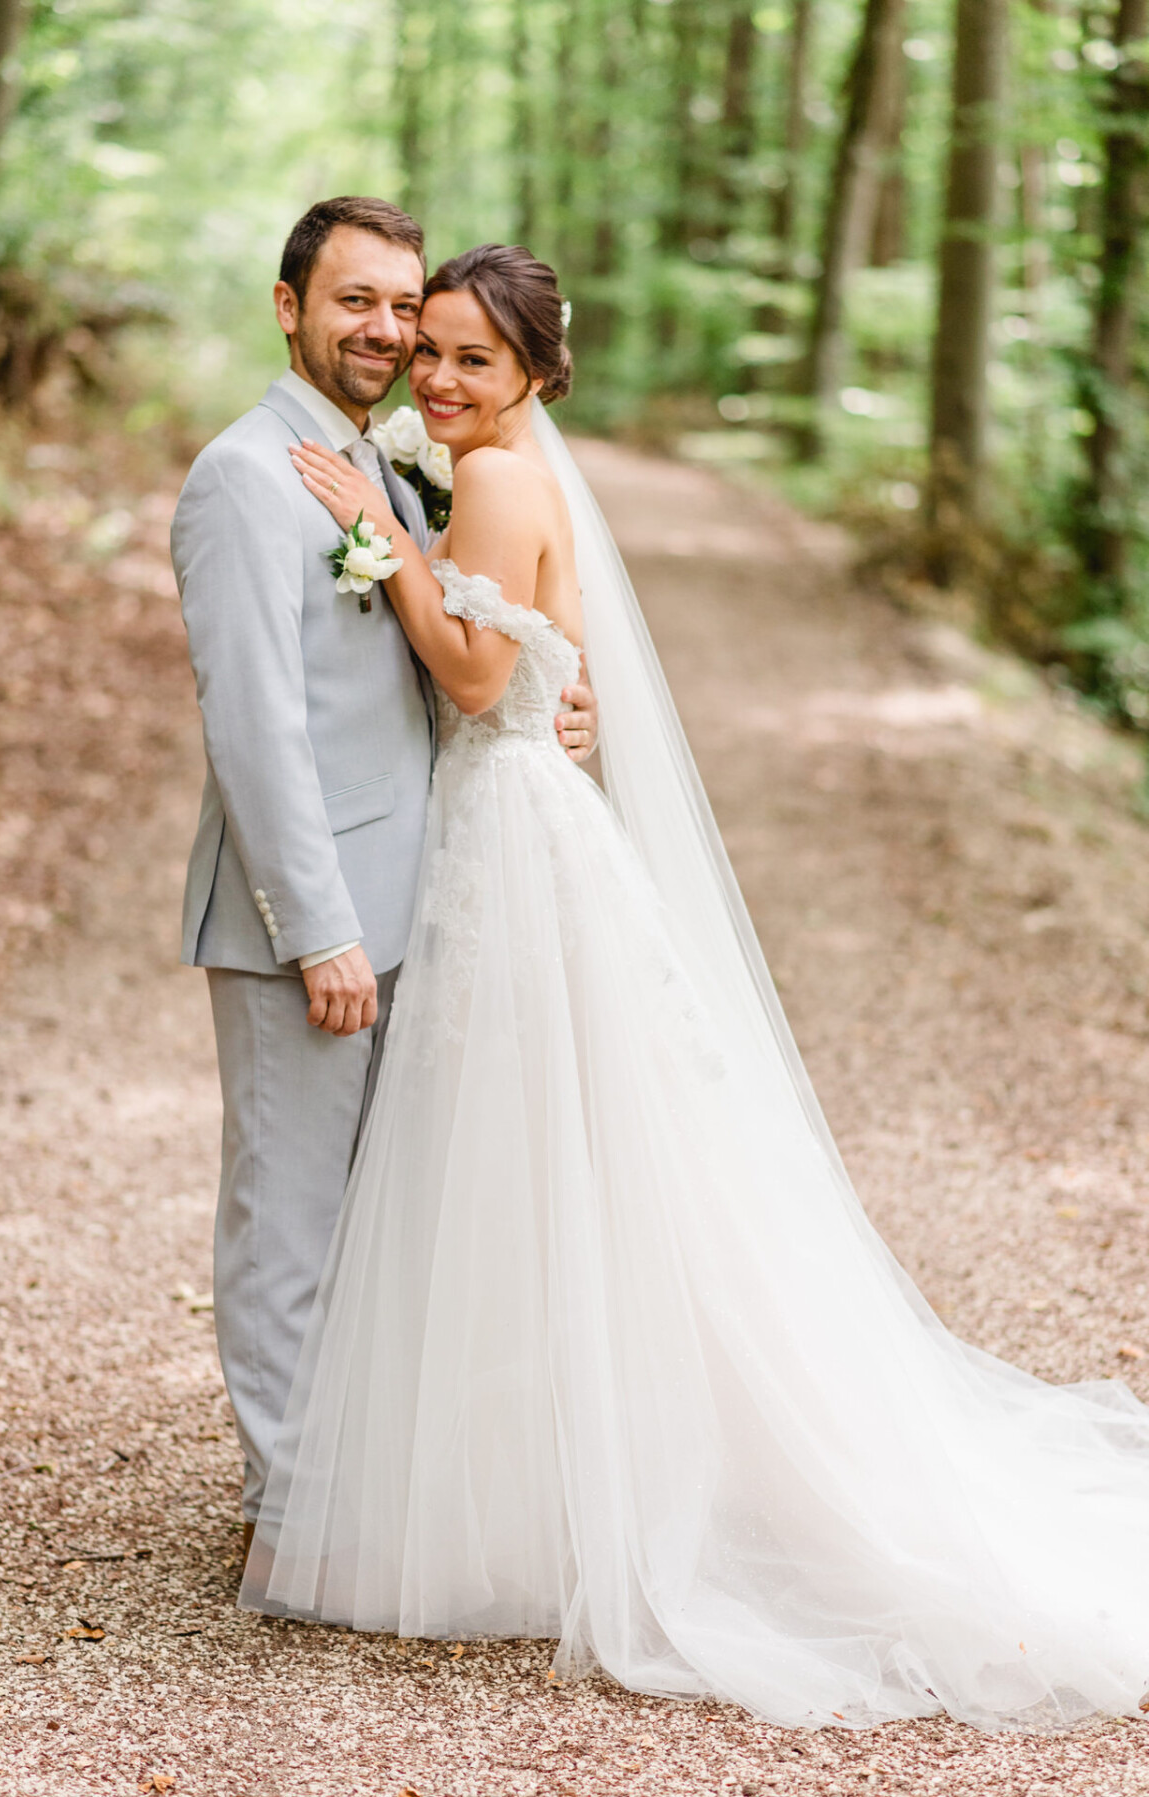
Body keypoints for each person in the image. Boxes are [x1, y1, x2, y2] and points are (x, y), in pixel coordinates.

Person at [241, 240, 1149, 1733]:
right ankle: (539, 1470)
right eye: (435, 351)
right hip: (521, 814)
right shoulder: (497, 462)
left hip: (510, 830)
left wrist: (386, 543)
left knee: (522, 1154)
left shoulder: (499, 476)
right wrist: (416, 532)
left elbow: (476, 681)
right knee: (548, 1158)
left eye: (478, 356)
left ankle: (543, 1491)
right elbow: (546, 660)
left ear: (537, 368)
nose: (444, 376)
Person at [170, 200, 598, 1556]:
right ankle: (291, 1519)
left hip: (429, 886)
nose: (388, 331)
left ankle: (362, 1493)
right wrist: (318, 933)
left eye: (402, 306)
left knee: (386, 1217)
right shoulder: (247, 476)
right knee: (288, 1220)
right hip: (317, 920)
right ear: (287, 305)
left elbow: (483, 643)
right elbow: (255, 724)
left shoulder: (397, 464)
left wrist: (556, 690)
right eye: (354, 300)